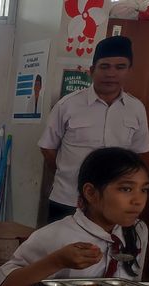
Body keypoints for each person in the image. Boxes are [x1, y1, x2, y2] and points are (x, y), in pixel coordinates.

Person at [0, 147, 149, 286]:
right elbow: (5, 285)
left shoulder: (139, 230)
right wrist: (56, 261)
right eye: (126, 189)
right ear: (90, 193)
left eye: (144, 189)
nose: (138, 200)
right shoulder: (56, 235)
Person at [39, 35, 149, 223]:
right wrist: (69, 173)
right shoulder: (67, 105)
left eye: (120, 67)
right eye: (104, 66)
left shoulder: (136, 108)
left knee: (109, 244)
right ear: (92, 70)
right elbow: (47, 147)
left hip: (115, 203)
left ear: (129, 71)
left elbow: (139, 153)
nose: (111, 74)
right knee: (61, 242)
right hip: (68, 199)